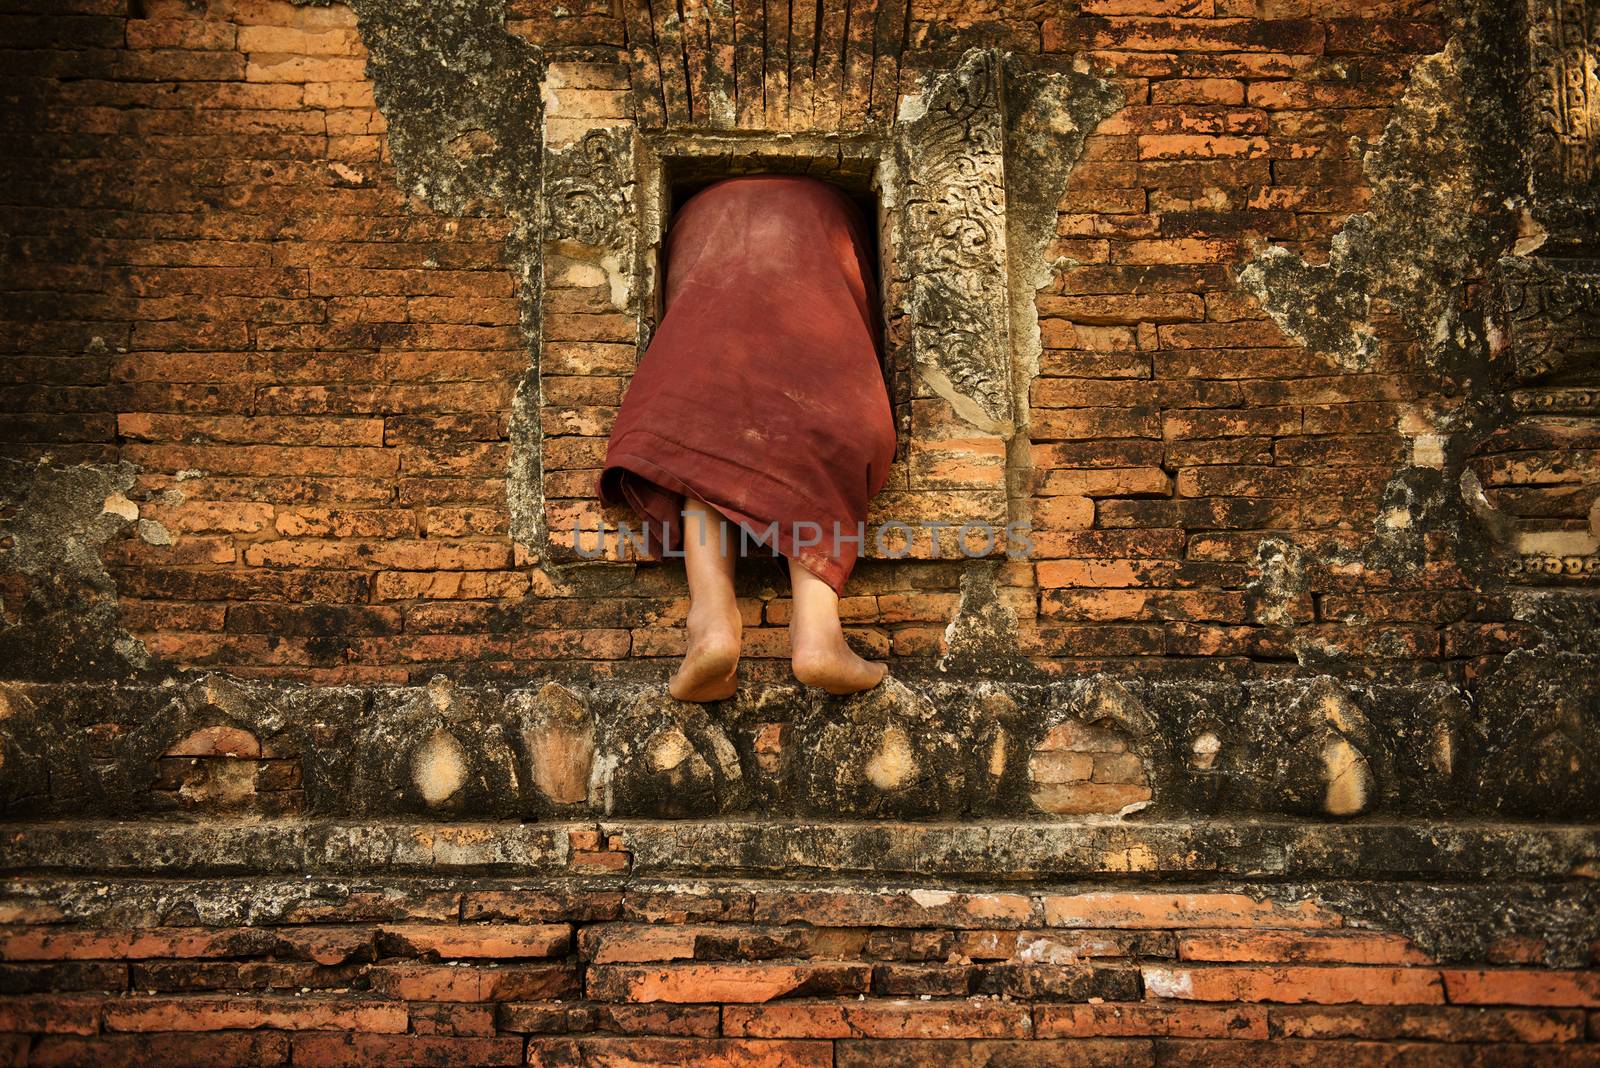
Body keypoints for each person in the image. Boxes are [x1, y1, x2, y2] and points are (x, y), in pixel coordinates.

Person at [598, 174, 895, 701]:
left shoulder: (698, 219)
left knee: (704, 449)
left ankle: (710, 623)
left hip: (705, 344)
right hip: (822, 317)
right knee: (819, 443)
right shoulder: (834, 219)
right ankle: (818, 631)